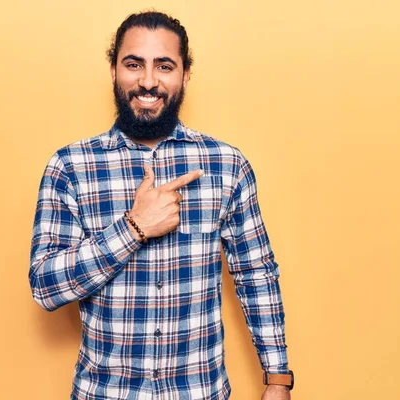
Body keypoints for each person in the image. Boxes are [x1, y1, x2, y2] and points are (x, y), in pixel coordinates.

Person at [29, 11, 293, 400]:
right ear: (114, 71)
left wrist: (277, 379)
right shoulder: (70, 167)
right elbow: (45, 287)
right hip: (104, 392)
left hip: (199, 391)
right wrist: (132, 228)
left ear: (185, 75)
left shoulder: (227, 165)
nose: (148, 81)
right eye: (133, 64)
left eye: (164, 66)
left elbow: (255, 274)